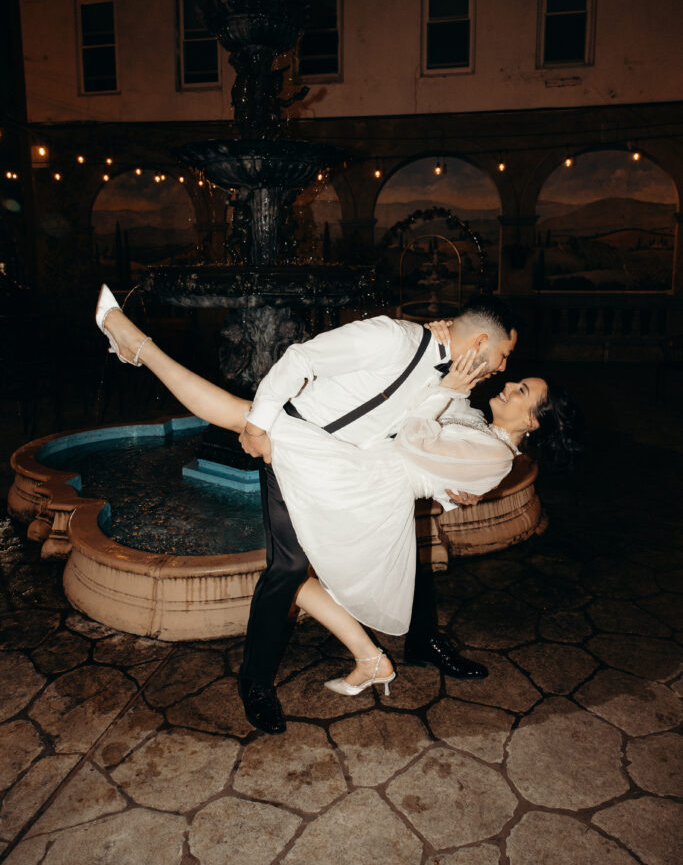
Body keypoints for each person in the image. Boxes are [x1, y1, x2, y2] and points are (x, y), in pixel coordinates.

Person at [96, 287, 540, 733]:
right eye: (504, 355)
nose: (504, 367)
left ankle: (385, 654)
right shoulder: (392, 338)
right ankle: (256, 683)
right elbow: (299, 359)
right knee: (287, 568)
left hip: (345, 472)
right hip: (299, 445)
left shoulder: (455, 382)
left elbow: (449, 434)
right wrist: (257, 426)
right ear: (481, 343)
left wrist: (458, 488)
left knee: (362, 563)